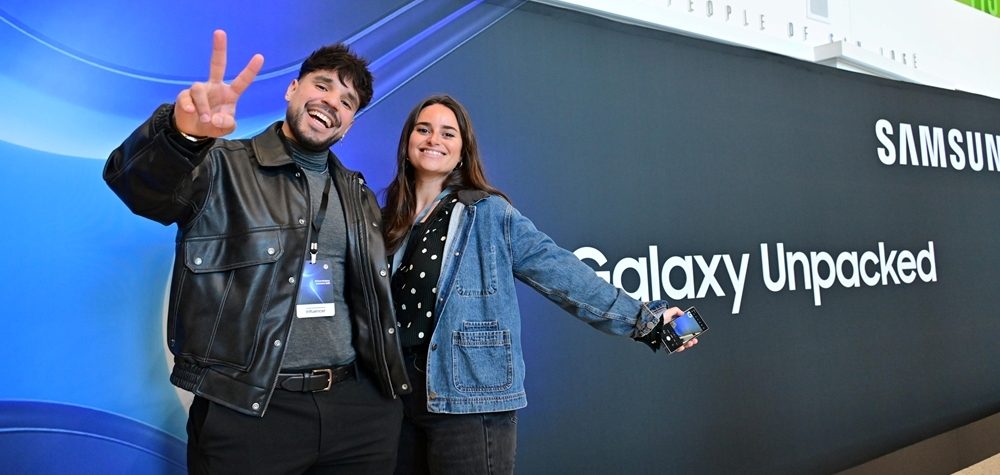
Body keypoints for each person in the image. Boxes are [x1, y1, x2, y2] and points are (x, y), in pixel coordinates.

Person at [103, 30, 410, 474]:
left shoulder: (358, 194)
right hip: (250, 410)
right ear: (292, 88)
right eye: (322, 85)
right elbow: (136, 187)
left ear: (349, 125)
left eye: (347, 102)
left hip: (357, 411)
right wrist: (182, 135)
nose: (331, 102)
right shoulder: (221, 165)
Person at [382, 95, 698, 475]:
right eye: (424, 129)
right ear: (408, 141)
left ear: (463, 151)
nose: (434, 139)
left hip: (470, 396)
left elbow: (562, 273)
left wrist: (645, 320)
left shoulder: (490, 213)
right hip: (397, 398)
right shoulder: (387, 221)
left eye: (448, 133)